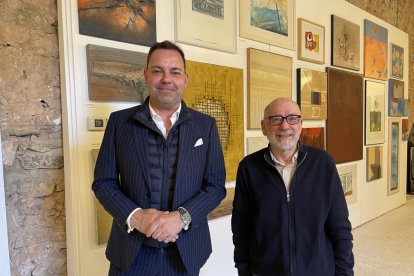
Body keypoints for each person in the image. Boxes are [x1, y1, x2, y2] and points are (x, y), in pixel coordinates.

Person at [92, 40, 226, 275]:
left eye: (175, 72)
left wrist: (181, 217)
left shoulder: (205, 126)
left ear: (185, 78)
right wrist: (136, 217)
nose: (167, 79)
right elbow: (104, 183)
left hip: (185, 254)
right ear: (145, 75)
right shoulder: (119, 123)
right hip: (131, 254)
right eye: (157, 71)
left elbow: (215, 186)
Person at [231, 97, 354, 275]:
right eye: (276, 119)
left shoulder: (323, 163)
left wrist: (344, 273)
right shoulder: (249, 168)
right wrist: (244, 270)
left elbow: (340, 227)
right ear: (264, 126)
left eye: (292, 118)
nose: (285, 126)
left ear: (301, 124)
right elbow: (241, 228)